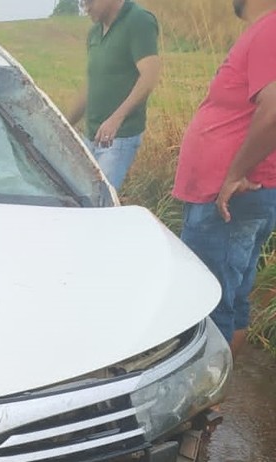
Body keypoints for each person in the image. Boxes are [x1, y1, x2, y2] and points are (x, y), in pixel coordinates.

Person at [174, 0, 276, 357]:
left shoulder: (271, 28)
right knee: (231, 295)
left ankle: (208, 400)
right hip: (232, 196)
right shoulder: (264, 31)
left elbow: (274, 107)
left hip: (229, 197)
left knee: (207, 304)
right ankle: (220, 395)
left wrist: (234, 174)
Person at [67, 0, 161, 191]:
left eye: (88, 2)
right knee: (83, 197)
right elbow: (91, 85)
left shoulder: (139, 21)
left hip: (118, 138)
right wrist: (64, 124)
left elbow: (149, 77)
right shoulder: (94, 32)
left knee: (100, 203)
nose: (85, 8)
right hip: (91, 135)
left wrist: (116, 119)